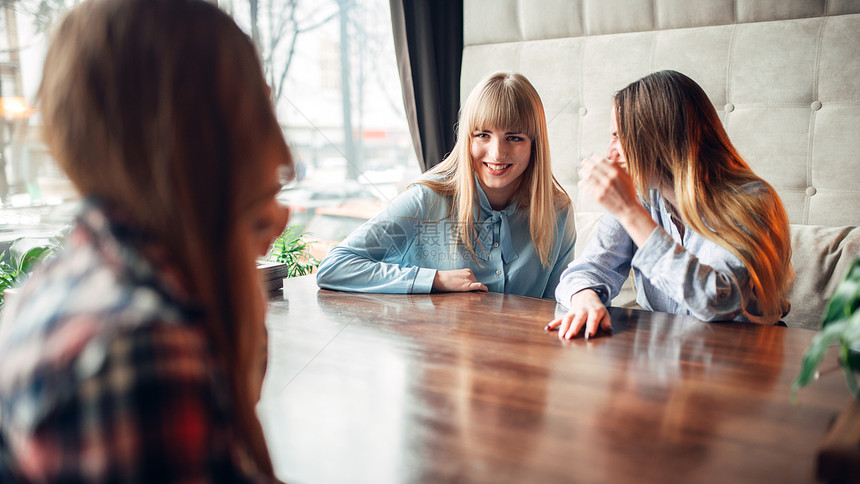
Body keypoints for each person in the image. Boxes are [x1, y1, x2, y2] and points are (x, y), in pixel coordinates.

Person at [0, 0, 291, 481]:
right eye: (256, 116)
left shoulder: (67, 283)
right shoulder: (140, 353)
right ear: (187, 139)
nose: (283, 154)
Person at [548, 70, 793, 340]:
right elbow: (586, 271)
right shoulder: (642, 195)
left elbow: (715, 300)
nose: (610, 152)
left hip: (741, 355)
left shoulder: (751, 200)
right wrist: (586, 298)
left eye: (619, 136)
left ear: (658, 137)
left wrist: (629, 212)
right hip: (667, 353)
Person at [316, 72, 576, 299]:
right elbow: (335, 266)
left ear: (534, 145)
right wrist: (434, 280)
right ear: (467, 139)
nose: (497, 153)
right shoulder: (426, 199)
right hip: (437, 353)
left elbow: (557, 307)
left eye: (514, 138)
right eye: (483, 135)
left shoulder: (558, 212)